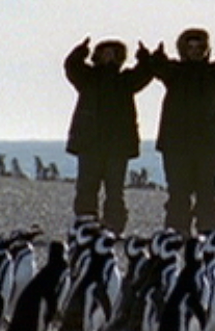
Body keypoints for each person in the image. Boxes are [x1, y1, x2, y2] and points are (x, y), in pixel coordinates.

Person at [150, 28, 215, 234]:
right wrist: (156, 56)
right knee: (178, 193)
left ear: (205, 49)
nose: (194, 51)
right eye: (190, 47)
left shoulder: (213, 73)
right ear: (183, 49)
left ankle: (209, 232)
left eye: (199, 47)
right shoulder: (174, 72)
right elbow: (158, 67)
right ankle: (176, 232)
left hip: (208, 144)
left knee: (207, 191)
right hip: (176, 144)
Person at [63, 37, 154, 234]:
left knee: (115, 190)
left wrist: (144, 57)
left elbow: (145, 73)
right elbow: (71, 67)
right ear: (97, 55)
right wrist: (80, 51)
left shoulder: (126, 81)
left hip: (117, 146)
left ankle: (114, 226)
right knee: (87, 187)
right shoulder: (87, 78)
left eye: (113, 53)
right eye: (105, 52)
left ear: (120, 57)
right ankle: (86, 223)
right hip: (90, 144)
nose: (109, 56)